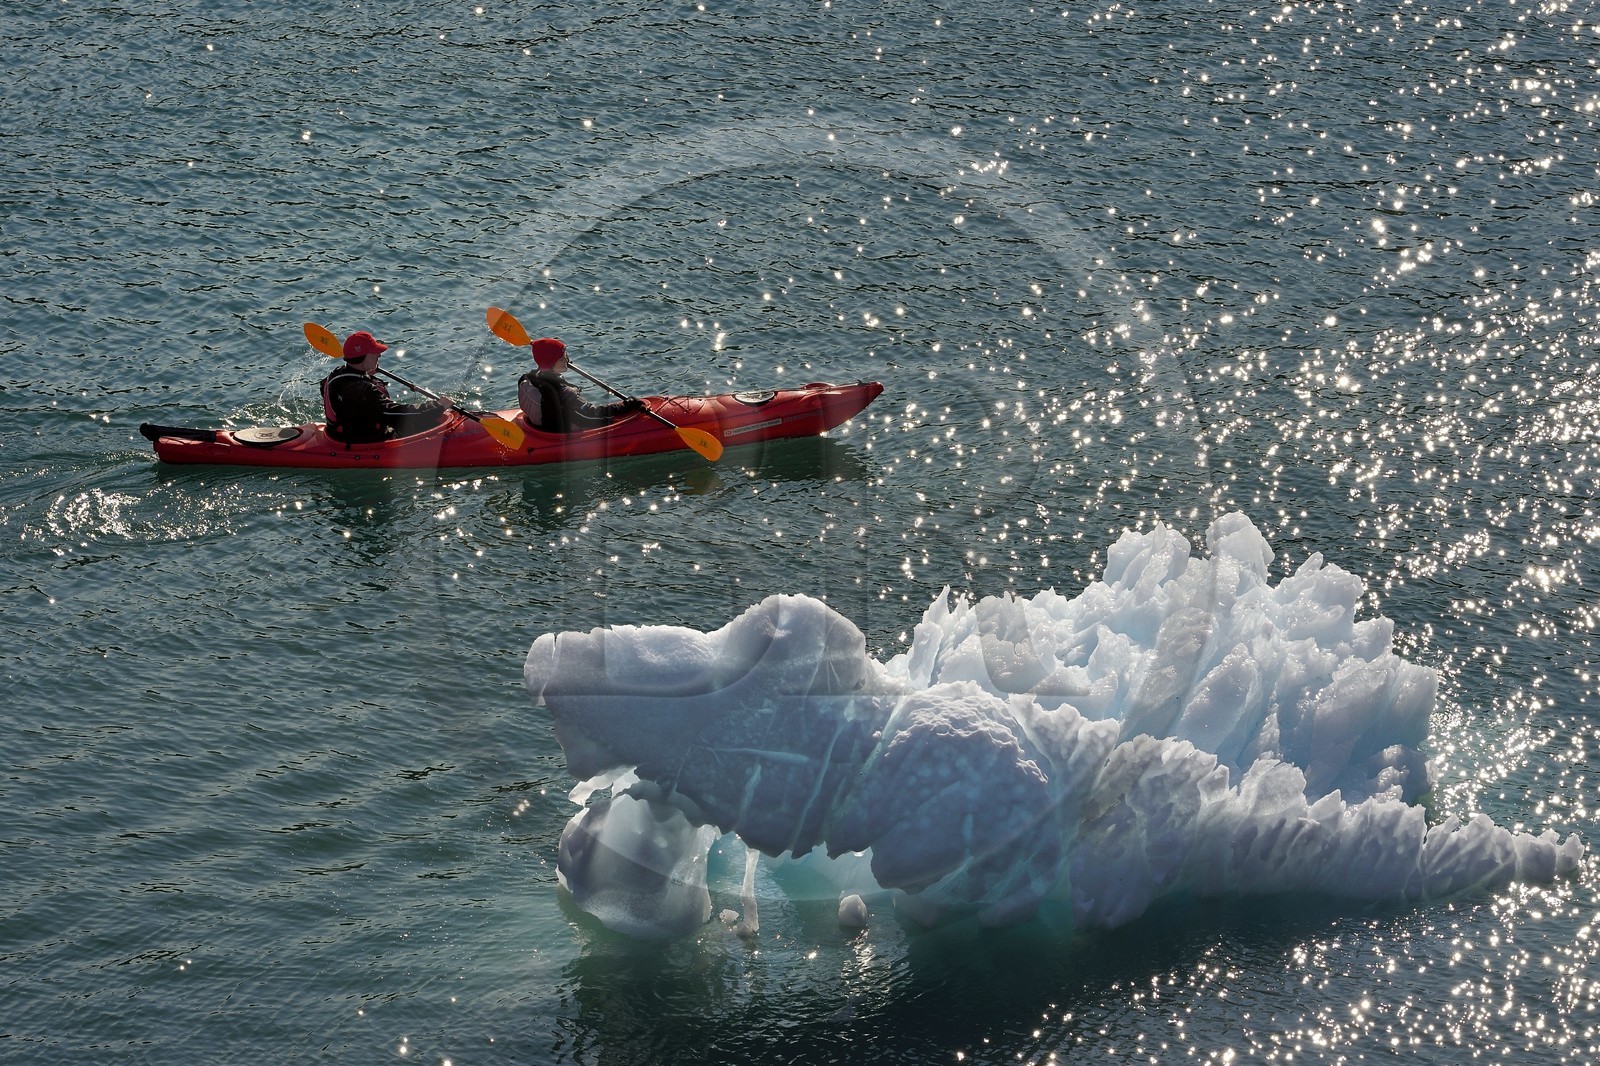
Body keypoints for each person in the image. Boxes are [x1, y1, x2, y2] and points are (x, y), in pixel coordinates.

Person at [321, 331, 451, 444]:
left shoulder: (335, 375)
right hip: (364, 443)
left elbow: (331, 391)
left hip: (339, 435)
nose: (379, 355)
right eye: (375, 352)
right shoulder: (364, 391)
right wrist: (436, 407)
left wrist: (364, 375)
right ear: (363, 357)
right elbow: (395, 414)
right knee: (432, 421)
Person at [517, 337, 644, 433]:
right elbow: (590, 416)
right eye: (562, 359)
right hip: (560, 432)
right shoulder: (566, 393)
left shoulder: (528, 380)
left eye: (565, 356)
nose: (566, 360)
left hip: (539, 425)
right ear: (550, 364)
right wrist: (626, 405)